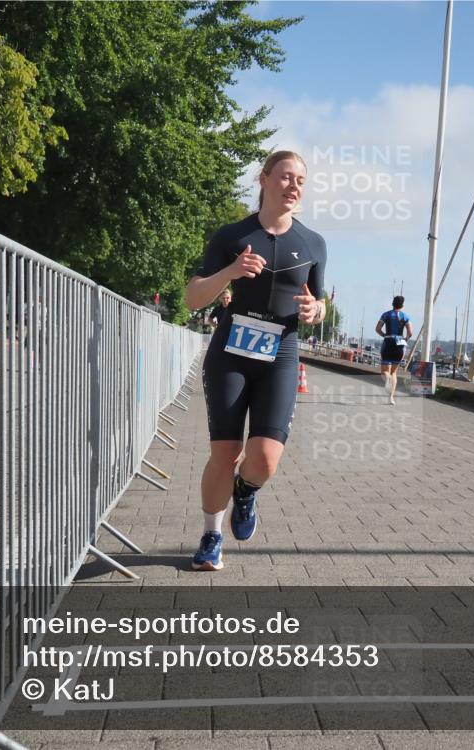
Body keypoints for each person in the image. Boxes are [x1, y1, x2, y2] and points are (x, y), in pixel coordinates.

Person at [183, 150, 327, 571]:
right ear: (263, 179)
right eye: (285, 177)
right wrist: (229, 271)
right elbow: (193, 298)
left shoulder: (313, 243)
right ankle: (212, 534)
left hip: (281, 352)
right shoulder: (232, 235)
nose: (294, 185)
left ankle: (245, 491)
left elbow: (317, 302)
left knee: (264, 458)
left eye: (300, 179)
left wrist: (315, 311)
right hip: (231, 351)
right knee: (225, 452)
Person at [375, 295, 413, 405]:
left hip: (388, 343)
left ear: (392, 304)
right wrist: (404, 339)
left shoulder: (386, 314)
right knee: (394, 372)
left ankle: (387, 379)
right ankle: (391, 398)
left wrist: (384, 335)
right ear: (402, 305)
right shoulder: (405, 316)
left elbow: (377, 329)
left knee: (385, 371)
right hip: (399, 345)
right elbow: (410, 333)